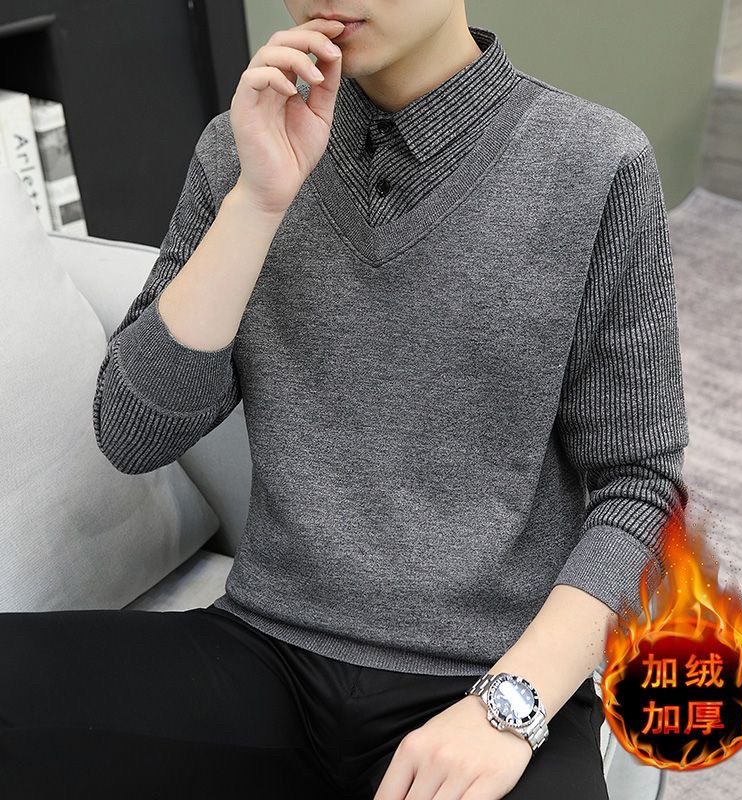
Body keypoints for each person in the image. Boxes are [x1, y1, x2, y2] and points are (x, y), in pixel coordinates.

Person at [0, 1, 689, 798]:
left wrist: (508, 707)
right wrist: (256, 202)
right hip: (264, 654)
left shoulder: (595, 162)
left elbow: (642, 488)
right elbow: (132, 434)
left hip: (482, 675)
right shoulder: (241, 149)